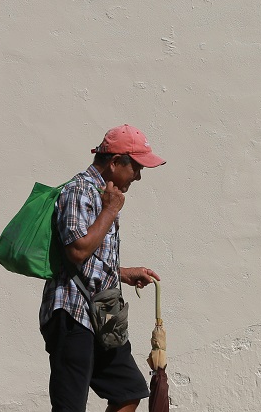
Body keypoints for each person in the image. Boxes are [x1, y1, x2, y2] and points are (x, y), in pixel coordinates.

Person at [39, 124, 166, 412]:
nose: (139, 175)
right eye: (135, 166)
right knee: (70, 407)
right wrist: (110, 211)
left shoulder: (102, 193)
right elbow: (77, 251)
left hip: (100, 315)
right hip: (72, 314)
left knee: (129, 390)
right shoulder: (78, 191)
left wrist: (123, 273)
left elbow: (89, 256)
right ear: (115, 162)